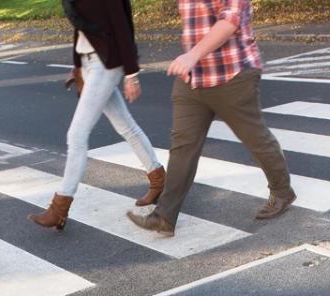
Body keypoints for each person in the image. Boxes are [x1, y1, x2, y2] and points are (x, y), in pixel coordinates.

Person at [126, 0, 295, 237]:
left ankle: (282, 191)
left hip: (232, 73)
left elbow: (230, 20)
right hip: (193, 78)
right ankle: (164, 216)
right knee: (183, 145)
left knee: (254, 138)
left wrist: (193, 55)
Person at [29, 0, 165, 231]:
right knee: (126, 126)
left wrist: (132, 74)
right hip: (89, 63)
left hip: (106, 63)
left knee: (77, 135)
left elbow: (122, 25)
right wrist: (79, 67)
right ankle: (158, 178)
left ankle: (59, 208)